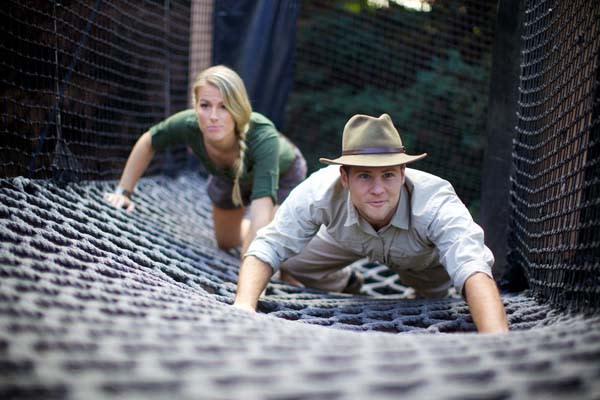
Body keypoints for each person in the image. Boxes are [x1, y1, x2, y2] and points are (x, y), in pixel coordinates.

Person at [233, 113, 509, 333]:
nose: (378, 189)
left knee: (431, 303)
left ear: (403, 174)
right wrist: (244, 306)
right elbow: (271, 243)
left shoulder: (435, 204)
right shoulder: (320, 191)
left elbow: (473, 267)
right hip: (346, 241)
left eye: (387, 175)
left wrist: (498, 343)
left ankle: (424, 297)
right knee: (290, 261)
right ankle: (346, 283)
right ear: (344, 177)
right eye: (365, 176)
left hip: (423, 263)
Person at [104, 65, 307, 255]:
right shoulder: (189, 124)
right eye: (205, 105)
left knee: (273, 240)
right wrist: (124, 192)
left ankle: (296, 252)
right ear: (195, 105)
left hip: (282, 175)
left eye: (224, 107)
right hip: (228, 175)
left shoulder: (262, 136)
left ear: (238, 108)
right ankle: (266, 241)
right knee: (226, 241)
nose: (213, 116)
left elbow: (260, 214)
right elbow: (148, 142)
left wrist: (247, 282)